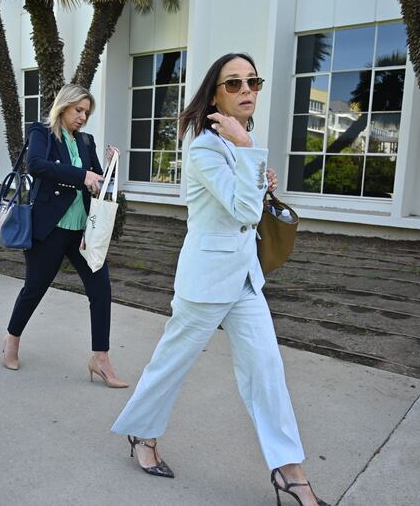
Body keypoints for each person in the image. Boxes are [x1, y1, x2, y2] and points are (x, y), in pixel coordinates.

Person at [111, 53, 327, 506]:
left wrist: (255, 170)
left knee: (266, 370)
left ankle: (290, 472)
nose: (247, 89)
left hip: (244, 279)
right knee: (172, 364)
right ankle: (141, 434)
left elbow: (247, 210)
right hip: (207, 280)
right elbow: (242, 210)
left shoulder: (237, 140)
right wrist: (250, 155)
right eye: (234, 83)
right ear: (214, 94)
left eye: (253, 81)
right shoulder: (206, 148)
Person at [1, 84, 128, 389]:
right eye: (78, 110)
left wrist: (111, 164)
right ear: (63, 106)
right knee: (35, 288)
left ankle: (101, 357)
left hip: (83, 231)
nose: (82, 117)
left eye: (87, 112)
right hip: (50, 227)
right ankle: (12, 339)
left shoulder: (86, 141)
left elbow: (98, 180)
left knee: (101, 289)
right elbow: (37, 166)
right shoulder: (42, 133)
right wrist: (80, 176)